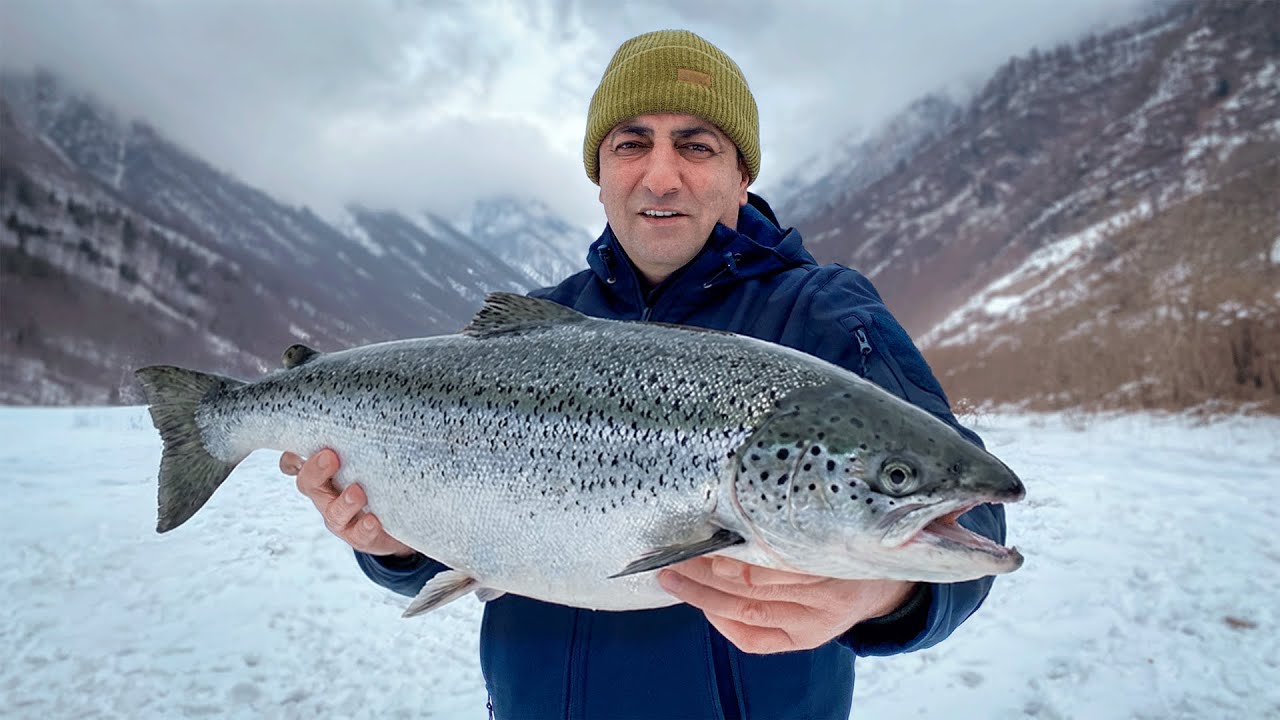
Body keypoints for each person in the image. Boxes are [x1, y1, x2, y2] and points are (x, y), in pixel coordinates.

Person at [281, 29, 1008, 719]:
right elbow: (454, 529)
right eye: (633, 144)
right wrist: (394, 545)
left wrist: (886, 589)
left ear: (741, 171)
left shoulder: (822, 316)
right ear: (600, 173)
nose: (662, 174)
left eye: (696, 145)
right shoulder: (537, 324)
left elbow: (970, 515)